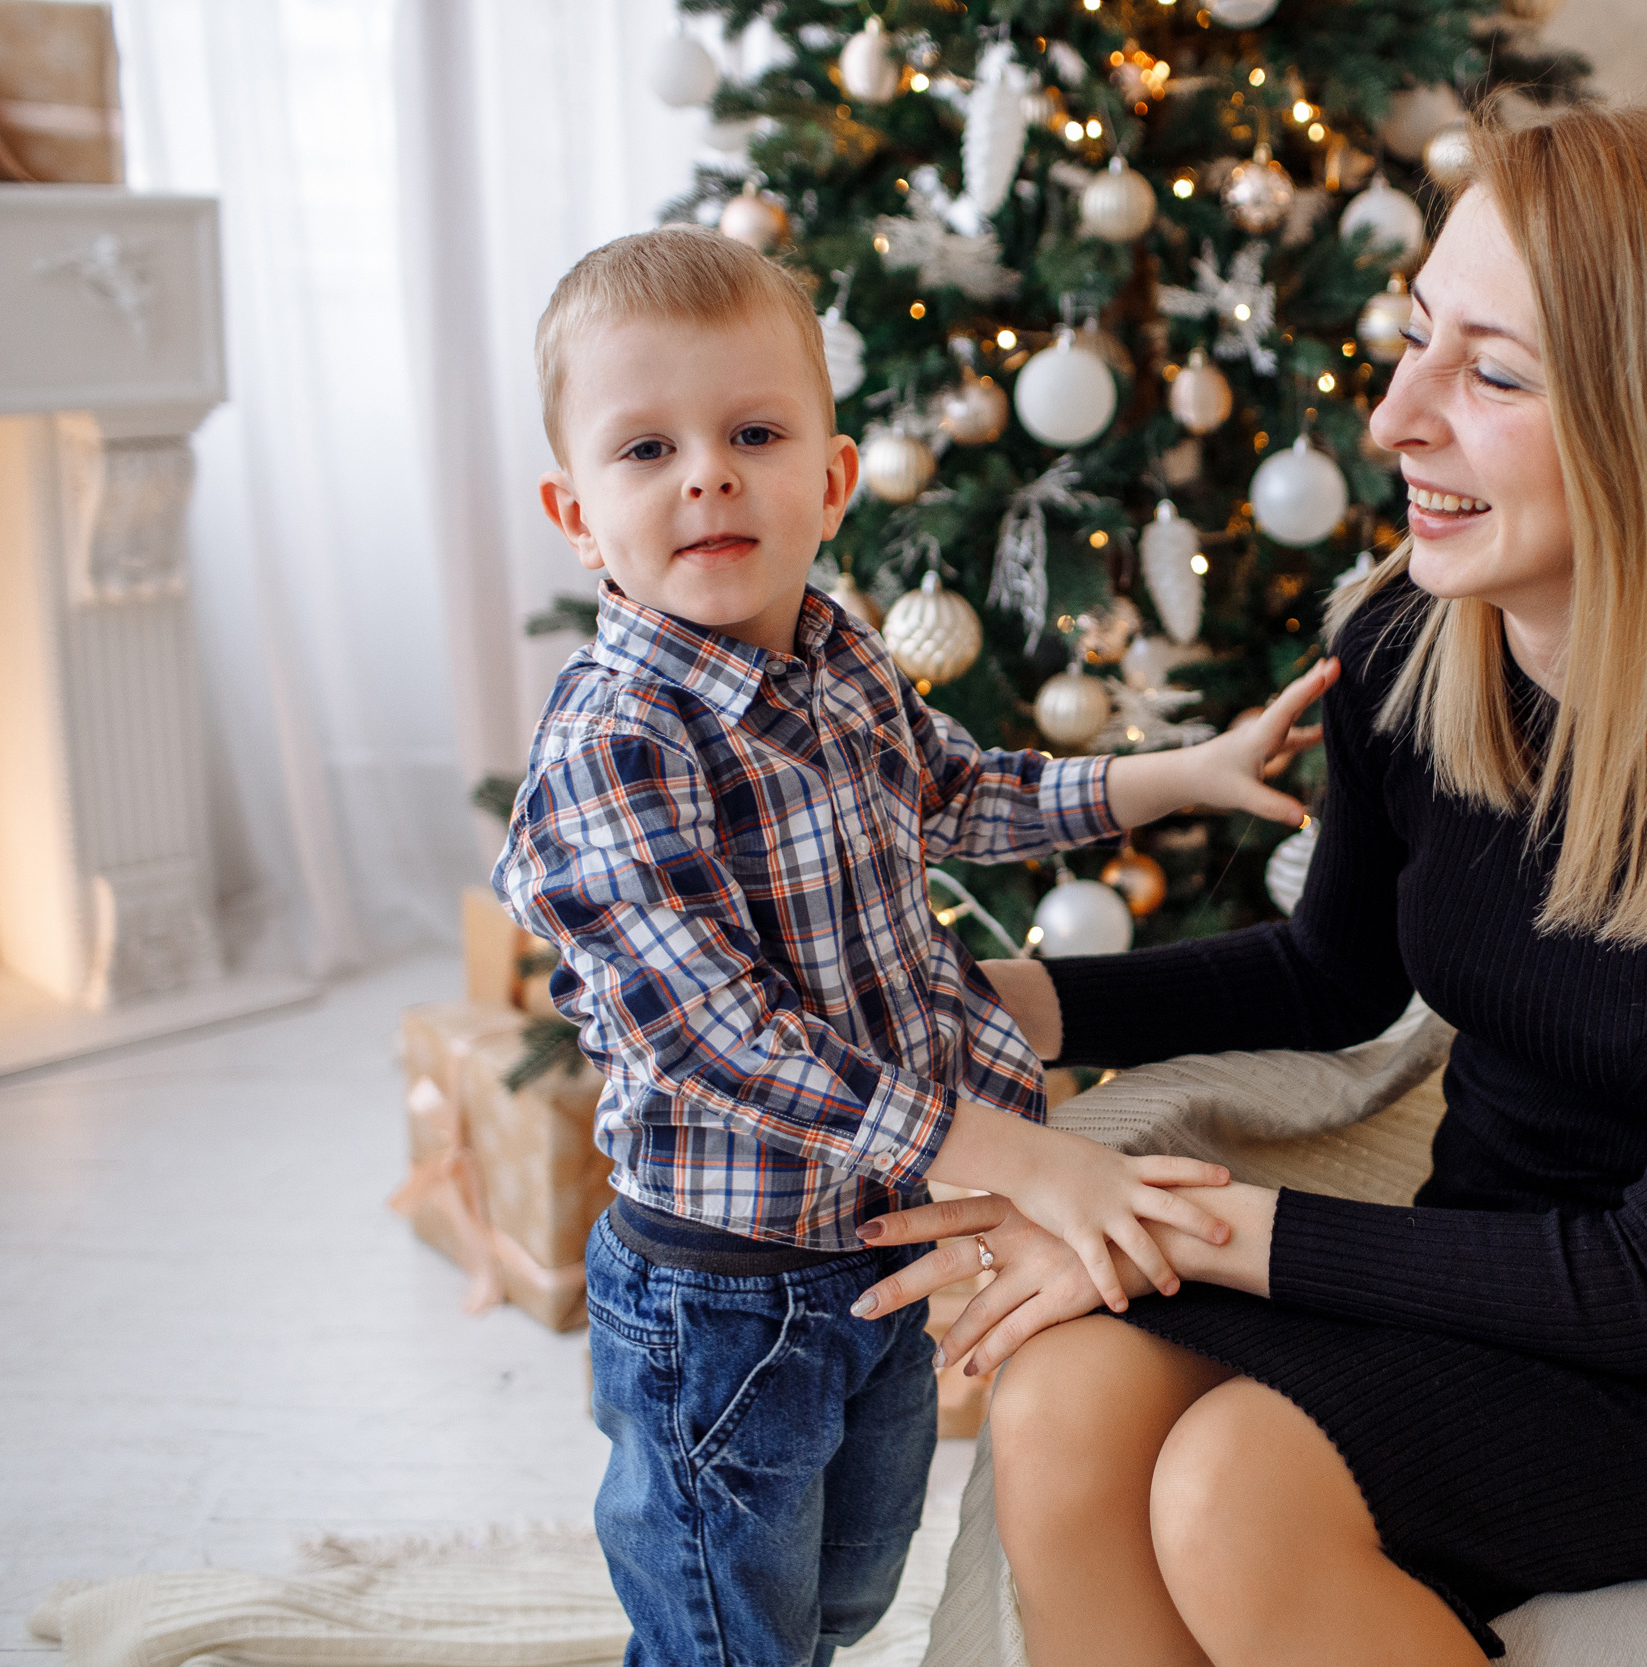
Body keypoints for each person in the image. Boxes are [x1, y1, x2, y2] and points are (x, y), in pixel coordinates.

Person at [850, 104, 1647, 1666]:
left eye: (1494, 373)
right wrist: (989, 1004)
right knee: (1060, 1404)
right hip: (1476, 1268)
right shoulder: (1408, 641)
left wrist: (1170, 1225)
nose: (1394, 419)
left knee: (1232, 1493)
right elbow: (1331, 976)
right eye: (1414, 341)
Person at [492, 225, 1338, 1667]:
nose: (706, 473)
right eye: (648, 451)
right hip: (721, 1289)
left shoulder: (836, 655)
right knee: (724, 1634)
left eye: (752, 432)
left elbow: (961, 791)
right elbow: (719, 1038)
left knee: (843, 1596)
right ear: (578, 513)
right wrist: (1017, 1156)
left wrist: (1174, 774)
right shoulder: (615, 745)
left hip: (877, 1257)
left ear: (829, 482)